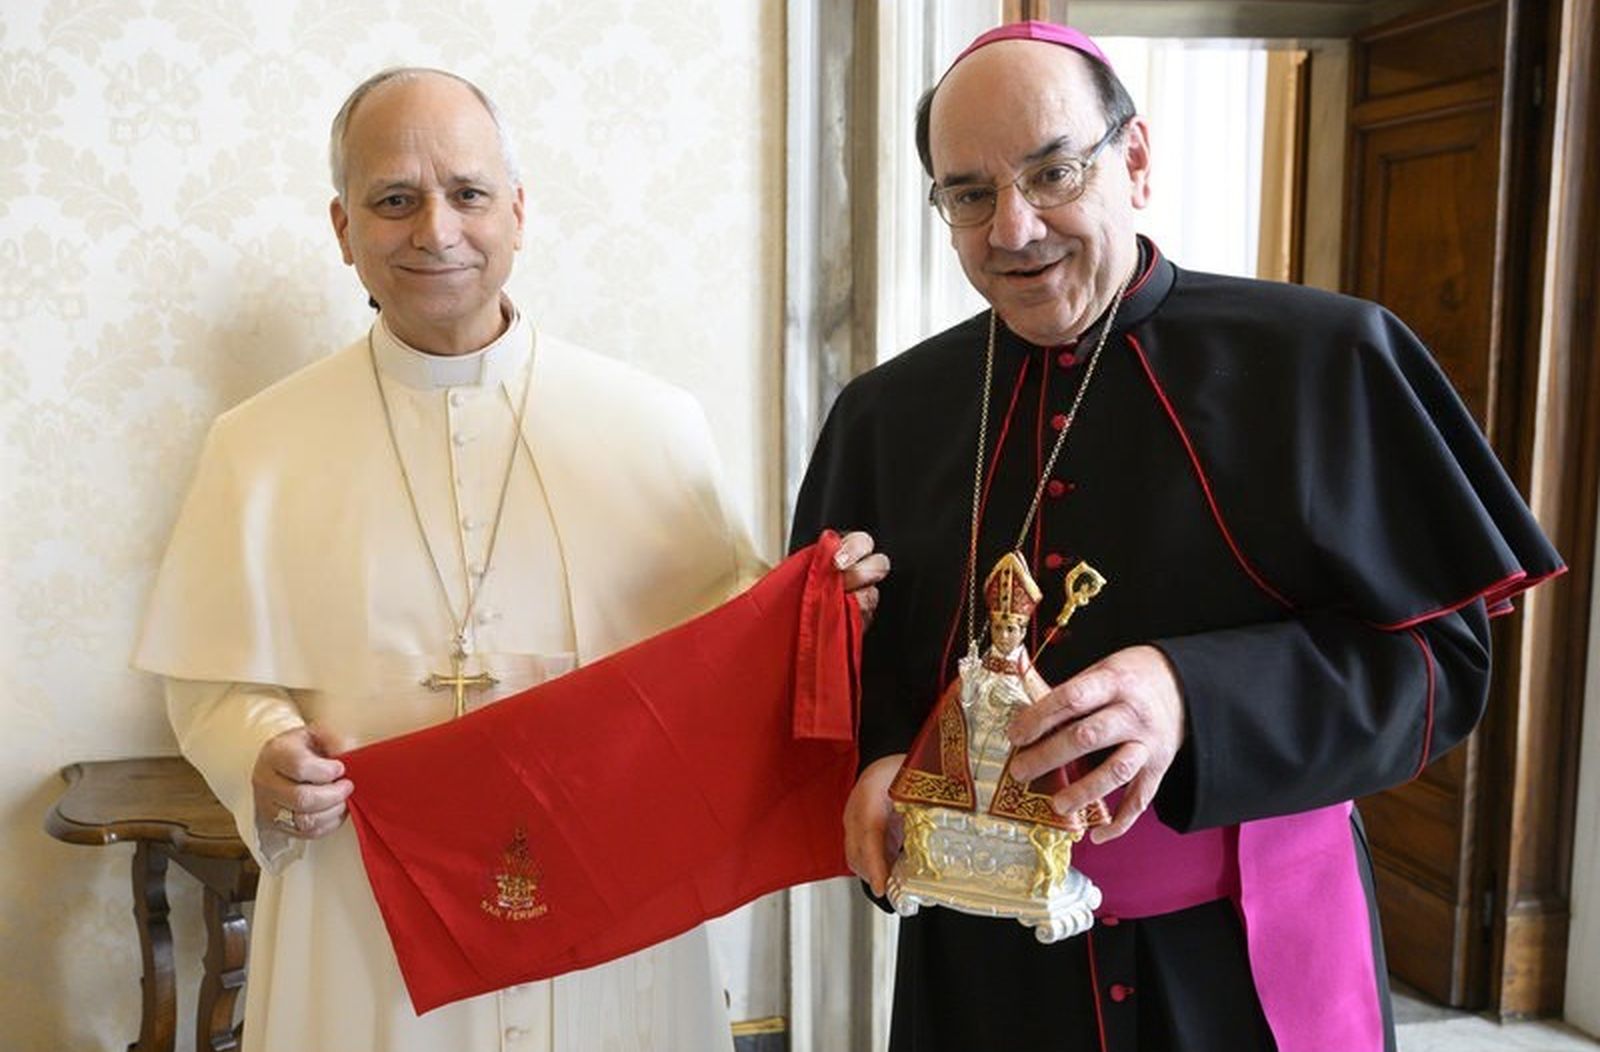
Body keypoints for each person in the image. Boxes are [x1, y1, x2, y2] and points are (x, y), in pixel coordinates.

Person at [790, 21, 1563, 1052]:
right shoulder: (884, 416)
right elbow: (855, 674)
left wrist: (1189, 693)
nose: (1014, 228)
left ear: (1136, 162)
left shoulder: (1323, 360)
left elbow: (1438, 669)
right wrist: (882, 754)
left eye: (1053, 173)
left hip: (1239, 959)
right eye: (969, 194)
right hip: (986, 966)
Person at [133, 67, 886, 1052]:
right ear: (343, 227)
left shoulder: (651, 424)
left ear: (518, 213)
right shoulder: (258, 445)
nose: (435, 230)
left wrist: (824, 613)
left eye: (468, 193)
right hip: (365, 907)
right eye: (393, 200)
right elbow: (212, 682)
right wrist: (262, 755)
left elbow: (730, 655)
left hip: (609, 897)